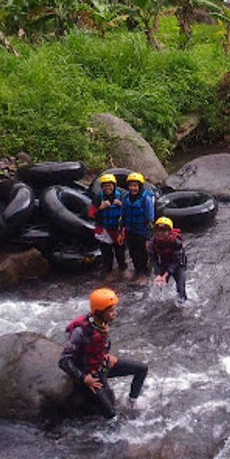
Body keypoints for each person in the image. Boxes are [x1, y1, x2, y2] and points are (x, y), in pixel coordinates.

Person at [58, 288, 147, 419]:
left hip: (102, 365)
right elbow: (64, 361)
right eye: (111, 311)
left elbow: (99, 346)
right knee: (111, 414)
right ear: (99, 312)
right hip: (90, 376)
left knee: (142, 368)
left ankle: (131, 403)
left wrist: (106, 355)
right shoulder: (80, 332)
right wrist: (83, 378)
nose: (115, 314)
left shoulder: (101, 323)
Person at [120, 171, 155, 281]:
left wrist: (148, 236)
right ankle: (137, 270)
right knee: (132, 251)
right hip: (130, 229)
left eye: (135, 186)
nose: (133, 188)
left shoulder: (146, 199)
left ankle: (145, 272)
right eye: (131, 185)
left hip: (142, 230)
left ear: (140, 186)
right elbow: (124, 214)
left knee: (142, 252)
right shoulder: (126, 198)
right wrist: (121, 229)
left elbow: (150, 219)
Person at [90, 173, 126, 277]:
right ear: (102, 187)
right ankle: (108, 272)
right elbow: (91, 214)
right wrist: (100, 208)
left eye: (110, 185)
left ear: (114, 186)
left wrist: (122, 205)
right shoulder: (98, 197)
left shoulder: (122, 196)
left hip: (118, 229)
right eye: (105, 186)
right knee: (106, 254)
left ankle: (122, 271)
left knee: (120, 253)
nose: (107, 188)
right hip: (104, 230)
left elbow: (129, 213)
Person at [149, 216, 187, 301]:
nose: (160, 233)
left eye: (163, 231)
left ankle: (183, 305)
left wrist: (166, 274)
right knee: (160, 285)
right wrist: (158, 274)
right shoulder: (153, 243)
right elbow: (153, 260)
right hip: (164, 262)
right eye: (158, 230)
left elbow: (176, 261)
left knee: (181, 289)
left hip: (178, 264)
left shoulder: (177, 243)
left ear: (170, 232)